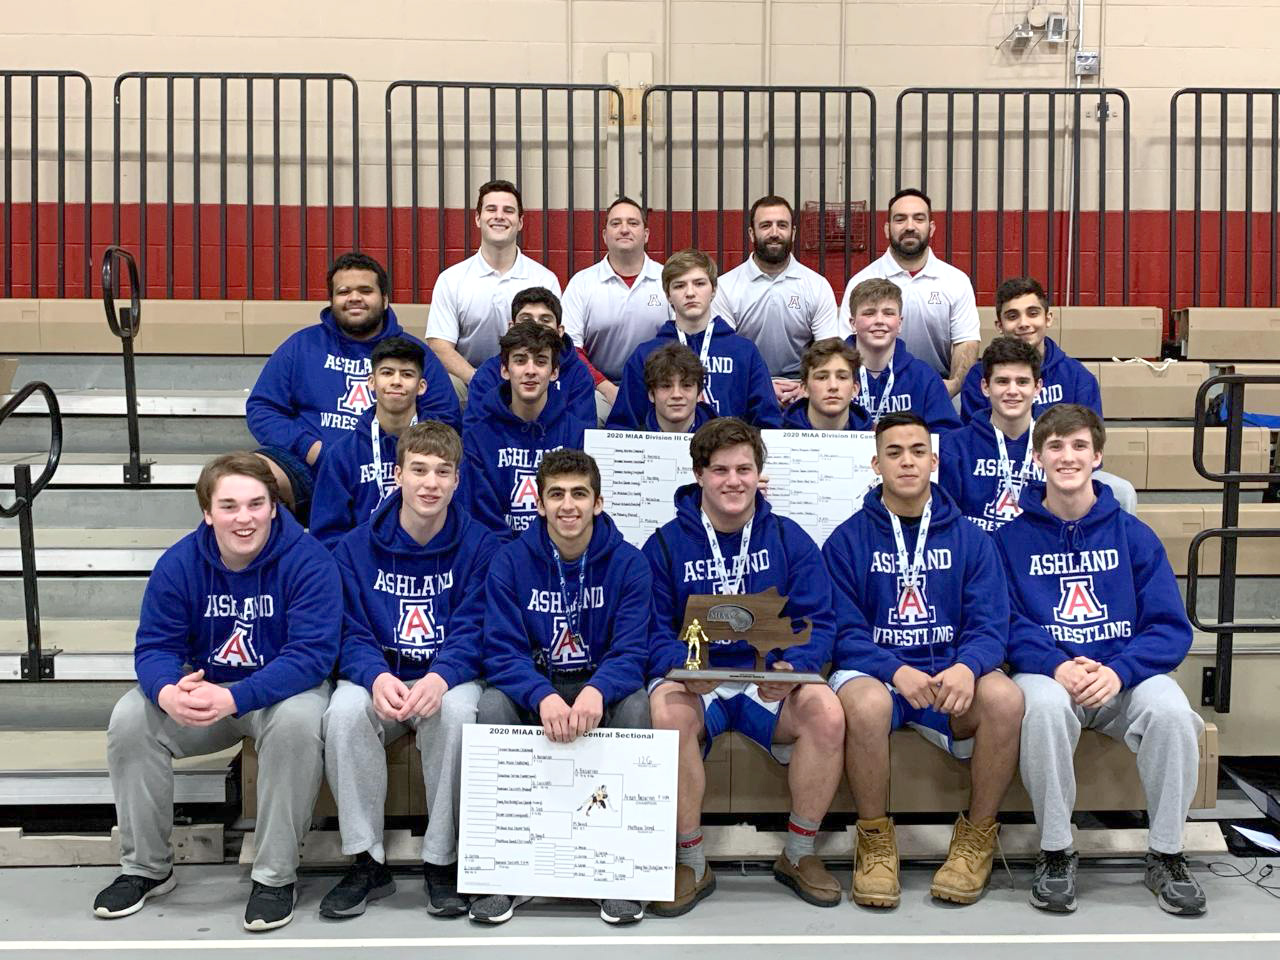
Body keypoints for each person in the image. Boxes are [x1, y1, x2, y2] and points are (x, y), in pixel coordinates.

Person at [93, 454, 339, 932]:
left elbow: (313, 656)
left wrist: (236, 697)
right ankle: (146, 868)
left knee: (299, 722)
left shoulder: (310, 561)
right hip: (208, 690)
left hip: (281, 692)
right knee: (130, 717)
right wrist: (167, 691)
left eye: (255, 504)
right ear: (208, 511)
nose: (243, 518)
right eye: (229, 506)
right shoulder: (180, 562)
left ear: (273, 507)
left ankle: (274, 876)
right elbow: (155, 646)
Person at [994, 404, 1206, 917]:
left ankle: (1167, 853)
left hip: (1121, 676)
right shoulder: (1008, 540)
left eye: (1079, 446)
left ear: (1098, 455)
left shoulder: (1134, 535)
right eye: (1057, 447)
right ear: (1039, 457)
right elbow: (1004, 623)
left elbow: (1169, 628)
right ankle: (1056, 851)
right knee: (1041, 709)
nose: (1068, 457)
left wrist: (1118, 671)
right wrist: (1056, 665)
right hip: (1051, 675)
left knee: (1174, 712)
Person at [645, 418, 846, 916]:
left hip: (768, 683)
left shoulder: (789, 538)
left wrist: (793, 667)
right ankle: (691, 860)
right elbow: (647, 631)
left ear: (760, 474)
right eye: (720, 470)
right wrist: (684, 667)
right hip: (701, 683)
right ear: (698, 475)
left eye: (744, 469)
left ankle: (798, 854)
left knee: (826, 711)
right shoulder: (666, 544)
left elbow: (819, 620)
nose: (733, 481)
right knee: (669, 712)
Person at [822, 412, 1022, 908]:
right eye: (894, 453)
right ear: (876, 464)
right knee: (865, 704)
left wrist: (967, 666)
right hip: (881, 674)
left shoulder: (972, 539)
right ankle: (874, 840)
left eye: (916, 451)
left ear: (934, 461)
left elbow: (992, 627)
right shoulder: (847, 540)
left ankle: (976, 838)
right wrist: (894, 670)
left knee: (1005, 697)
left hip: (949, 674)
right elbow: (840, 631)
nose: (906, 461)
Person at [321, 422, 500, 920]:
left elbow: (477, 627)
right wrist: (374, 675)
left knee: (460, 713)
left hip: (448, 675)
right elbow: (348, 628)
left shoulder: (482, 546)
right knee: (342, 713)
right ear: (396, 475)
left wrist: (442, 677)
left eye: (443, 472)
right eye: (418, 470)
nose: (430, 483)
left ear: (458, 481)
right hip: (378, 675)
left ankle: (442, 862)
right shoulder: (354, 548)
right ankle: (365, 860)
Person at [470, 450, 653, 926]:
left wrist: (596, 690)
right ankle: (502, 873)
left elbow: (633, 651)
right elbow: (501, 652)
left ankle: (620, 871)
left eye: (578, 494)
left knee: (637, 703)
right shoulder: (510, 562)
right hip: (539, 688)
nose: (567, 505)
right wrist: (543, 695)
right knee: (490, 704)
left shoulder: (630, 564)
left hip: (598, 689)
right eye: (556, 494)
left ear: (598, 502)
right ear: (539, 502)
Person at [247, 252, 461, 520]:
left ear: (384, 300)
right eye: (343, 291)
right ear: (332, 300)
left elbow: (446, 417)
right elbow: (262, 409)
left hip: (394, 473)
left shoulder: (413, 353)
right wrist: (311, 449)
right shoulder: (301, 346)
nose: (354, 298)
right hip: (313, 468)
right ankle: (290, 559)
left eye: (365, 290)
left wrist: (401, 455)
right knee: (248, 478)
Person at [607, 249, 781, 430]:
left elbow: (768, 422)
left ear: (713, 290)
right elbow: (622, 425)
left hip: (727, 453)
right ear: (668, 296)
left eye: (699, 284)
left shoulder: (744, 352)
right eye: (679, 286)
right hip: (661, 454)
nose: (690, 293)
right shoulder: (646, 354)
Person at [839, 189, 980, 396]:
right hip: (872, 389)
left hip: (939, 387)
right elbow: (847, 345)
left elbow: (966, 342)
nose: (910, 226)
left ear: (931, 228)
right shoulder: (861, 281)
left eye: (919, 218)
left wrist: (953, 385)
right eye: (900, 219)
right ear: (887, 229)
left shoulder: (956, 281)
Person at [462, 321, 592, 540]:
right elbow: (481, 519)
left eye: (540, 362)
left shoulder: (577, 435)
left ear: (554, 372)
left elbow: (580, 513)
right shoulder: (479, 437)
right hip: (497, 558)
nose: (530, 370)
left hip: (559, 553)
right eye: (520, 361)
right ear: (504, 369)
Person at [425, 180, 562, 387]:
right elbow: (440, 345)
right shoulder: (451, 279)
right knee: (447, 387)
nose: (499, 216)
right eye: (491, 209)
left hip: (529, 379)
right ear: (478, 219)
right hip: (468, 379)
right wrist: (476, 379)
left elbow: (553, 344)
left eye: (508, 210)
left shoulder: (544, 279)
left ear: (521, 222)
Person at [711, 195, 842, 407]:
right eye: (766, 225)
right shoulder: (725, 287)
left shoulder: (817, 286)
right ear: (752, 233)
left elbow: (828, 352)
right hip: (744, 388)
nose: (774, 233)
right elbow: (725, 355)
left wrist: (807, 387)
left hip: (802, 392)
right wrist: (760, 387)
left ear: (794, 232)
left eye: (782, 225)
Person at [310, 336, 428, 548]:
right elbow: (328, 536)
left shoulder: (443, 450)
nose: (396, 381)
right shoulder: (343, 454)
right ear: (371, 382)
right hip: (362, 569)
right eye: (387, 373)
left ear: (421, 386)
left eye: (407, 374)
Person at [561, 197, 670, 406]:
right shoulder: (582, 283)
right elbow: (570, 348)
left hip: (659, 387)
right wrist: (606, 388)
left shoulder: (667, 279)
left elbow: (682, 342)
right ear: (604, 235)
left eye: (633, 223)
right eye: (616, 223)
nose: (624, 229)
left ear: (646, 234)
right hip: (598, 387)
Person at [960, 276, 1102, 424]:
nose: (1023, 323)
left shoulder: (1077, 377)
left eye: (1033, 313)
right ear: (1000, 326)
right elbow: (972, 437)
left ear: (1048, 319)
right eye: (1012, 316)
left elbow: (1090, 439)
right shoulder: (978, 377)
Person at [939, 337, 1045, 534]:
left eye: (1022, 382)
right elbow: (947, 526)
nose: (1012, 391)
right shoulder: (954, 447)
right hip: (976, 557)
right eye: (1002, 381)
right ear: (985, 387)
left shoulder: (1057, 445)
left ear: (1037, 387)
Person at [464, 286, 597, 428]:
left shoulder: (579, 374)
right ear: (511, 327)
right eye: (526, 319)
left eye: (545, 320)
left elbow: (582, 432)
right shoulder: (489, 372)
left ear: (560, 331)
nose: (535, 326)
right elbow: (476, 430)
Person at [844, 278, 960, 432]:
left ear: (899, 324)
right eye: (869, 313)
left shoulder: (924, 377)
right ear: (853, 323)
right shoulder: (833, 373)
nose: (879, 321)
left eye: (888, 313)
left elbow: (946, 435)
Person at [780, 338, 872, 431]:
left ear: (855, 389)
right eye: (822, 377)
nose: (833, 386)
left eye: (842, 377)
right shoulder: (777, 435)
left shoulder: (875, 438)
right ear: (805, 388)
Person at [638, 343, 718, 433]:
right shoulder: (632, 443)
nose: (676, 395)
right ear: (651, 394)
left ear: (699, 394)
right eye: (666, 386)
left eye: (686, 385)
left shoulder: (722, 442)